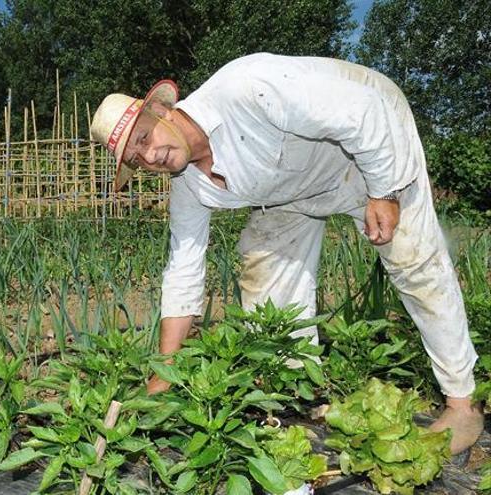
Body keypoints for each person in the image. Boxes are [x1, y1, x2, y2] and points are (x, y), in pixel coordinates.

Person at [89, 53, 484, 455]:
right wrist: (164, 372)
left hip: (367, 147)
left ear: (162, 111)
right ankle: (297, 389)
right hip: (293, 189)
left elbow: (364, 111)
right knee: (266, 280)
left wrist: (383, 191)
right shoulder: (188, 185)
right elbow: (183, 269)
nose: (150, 156)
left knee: (412, 260)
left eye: (145, 138)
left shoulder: (247, 87)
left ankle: (462, 402)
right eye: (137, 160)